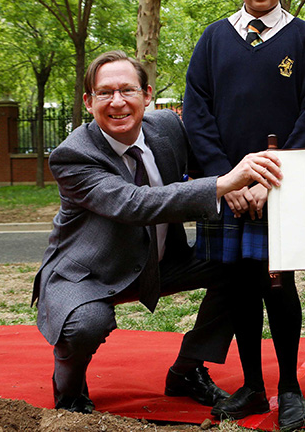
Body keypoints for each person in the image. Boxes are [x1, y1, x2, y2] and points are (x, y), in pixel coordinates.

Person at [31, 51, 283, 414]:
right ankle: (68, 388)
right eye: (104, 93)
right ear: (88, 102)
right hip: (88, 272)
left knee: (241, 263)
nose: (117, 102)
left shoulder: (167, 127)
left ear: (147, 95)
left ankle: (186, 370)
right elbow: (134, 204)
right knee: (86, 325)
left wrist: (247, 182)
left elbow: (210, 163)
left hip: (163, 261)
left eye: (127, 90)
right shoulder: (73, 155)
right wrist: (226, 182)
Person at [183, 0, 305, 431]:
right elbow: (198, 114)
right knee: (240, 288)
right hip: (228, 189)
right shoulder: (212, 39)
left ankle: (289, 386)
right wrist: (229, 180)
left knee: (279, 287)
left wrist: (269, 179)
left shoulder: (304, 39)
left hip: (280, 190)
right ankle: (251, 385)